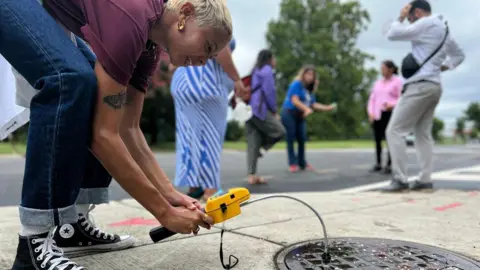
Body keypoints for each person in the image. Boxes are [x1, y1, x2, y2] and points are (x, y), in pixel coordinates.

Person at [1, 0, 234, 268]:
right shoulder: (132, 18)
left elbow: (127, 128)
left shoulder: (149, 46)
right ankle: (33, 244)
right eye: (207, 47)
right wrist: (164, 212)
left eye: (211, 56)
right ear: (186, 13)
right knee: (69, 81)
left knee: (97, 93)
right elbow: (104, 137)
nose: (204, 61)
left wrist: (172, 195)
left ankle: (71, 227)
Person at [384, 0, 465, 192]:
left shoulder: (425, 23)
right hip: (434, 86)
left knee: (394, 130)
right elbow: (459, 56)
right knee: (423, 134)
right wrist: (443, 67)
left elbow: (393, 34)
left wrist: (401, 17)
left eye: (411, 17)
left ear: (418, 12)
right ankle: (425, 179)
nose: (410, 22)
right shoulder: (445, 30)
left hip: (419, 87)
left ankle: (400, 179)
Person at [171, 37, 248, 201]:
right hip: (207, 83)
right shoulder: (214, 18)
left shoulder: (188, 24)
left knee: (189, 135)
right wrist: (236, 79)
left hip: (184, 82)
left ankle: (195, 186)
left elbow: (173, 60)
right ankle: (210, 189)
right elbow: (221, 50)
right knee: (210, 135)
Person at [280, 65, 335, 173]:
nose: (310, 77)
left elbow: (313, 104)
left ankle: (302, 163)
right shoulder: (296, 84)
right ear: (303, 74)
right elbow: (294, 100)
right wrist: (306, 109)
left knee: (302, 138)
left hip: (300, 115)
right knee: (291, 138)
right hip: (289, 113)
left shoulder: (309, 90)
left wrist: (327, 107)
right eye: (308, 74)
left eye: (312, 75)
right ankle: (292, 163)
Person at [245, 49, 286, 184]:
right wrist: (274, 111)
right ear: (269, 59)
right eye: (274, 58)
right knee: (279, 131)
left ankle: (252, 176)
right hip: (259, 108)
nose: (275, 61)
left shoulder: (255, 70)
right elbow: (269, 92)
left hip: (248, 109)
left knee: (253, 140)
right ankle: (261, 149)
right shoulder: (267, 70)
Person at [367, 60, 403, 174]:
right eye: (381, 68)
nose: (382, 70)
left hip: (389, 113)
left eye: (384, 68)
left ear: (391, 69)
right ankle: (378, 163)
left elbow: (402, 98)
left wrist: (392, 105)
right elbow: (372, 99)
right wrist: (370, 112)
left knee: (389, 139)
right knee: (377, 139)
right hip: (377, 113)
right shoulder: (378, 82)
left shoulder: (397, 82)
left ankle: (389, 164)